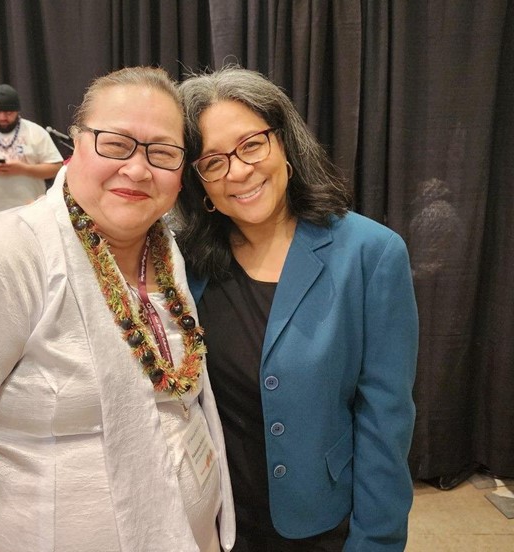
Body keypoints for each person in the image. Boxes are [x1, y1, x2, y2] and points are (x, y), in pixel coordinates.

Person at [0, 67, 235, 552]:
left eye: (162, 152)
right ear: (73, 146)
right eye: (116, 143)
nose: (137, 169)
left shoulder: (166, 250)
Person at [175, 66, 419, 551]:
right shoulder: (184, 263)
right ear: (198, 181)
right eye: (213, 161)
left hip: (323, 525)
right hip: (215, 524)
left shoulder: (370, 253)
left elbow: (385, 421)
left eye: (251, 144)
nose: (238, 171)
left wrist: (378, 540)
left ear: (285, 143)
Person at [0, 83, 63, 214]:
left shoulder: (35, 131)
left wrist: (24, 169)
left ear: (17, 111)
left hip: (30, 210)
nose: (2, 117)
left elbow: (57, 168)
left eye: (8, 113)